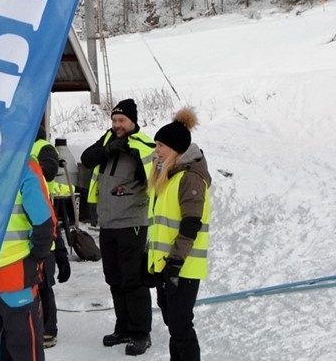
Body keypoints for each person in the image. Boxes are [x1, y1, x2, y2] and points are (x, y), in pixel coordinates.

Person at [80, 98, 155, 356]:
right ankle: (123, 326)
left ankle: (141, 332)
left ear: (133, 121)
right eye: (113, 120)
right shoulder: (108, 140)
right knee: (114, 278)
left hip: (132, 222)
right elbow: (87, 158)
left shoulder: (143, 144)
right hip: (108, 222)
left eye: (121, 120)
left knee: (133, 279)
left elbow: (155, 172)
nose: (116, 124)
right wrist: (109, 149)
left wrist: (131, 150)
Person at [0, 157, 56, 361]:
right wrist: (36, 258)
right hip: (15, 275)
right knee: (25, 349)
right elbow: (45, 223)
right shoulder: (22, 165)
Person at [146, 108, 211, 361]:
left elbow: (191, 224)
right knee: (174, 326)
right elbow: (160, 225)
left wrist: (174, 263)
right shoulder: (169, 178)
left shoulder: (190, 178)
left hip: (183, 267)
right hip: (167, 266)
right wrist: (149, 261)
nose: (156, 150)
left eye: (161, 145)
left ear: (176, 149)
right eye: (156, 144)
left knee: (181, 326)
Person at [31, 127, 70, 348]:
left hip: (43, 218)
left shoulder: (42, 147)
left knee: (44, 284)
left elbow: (49, 168)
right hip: (28, 222)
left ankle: (48, 329)